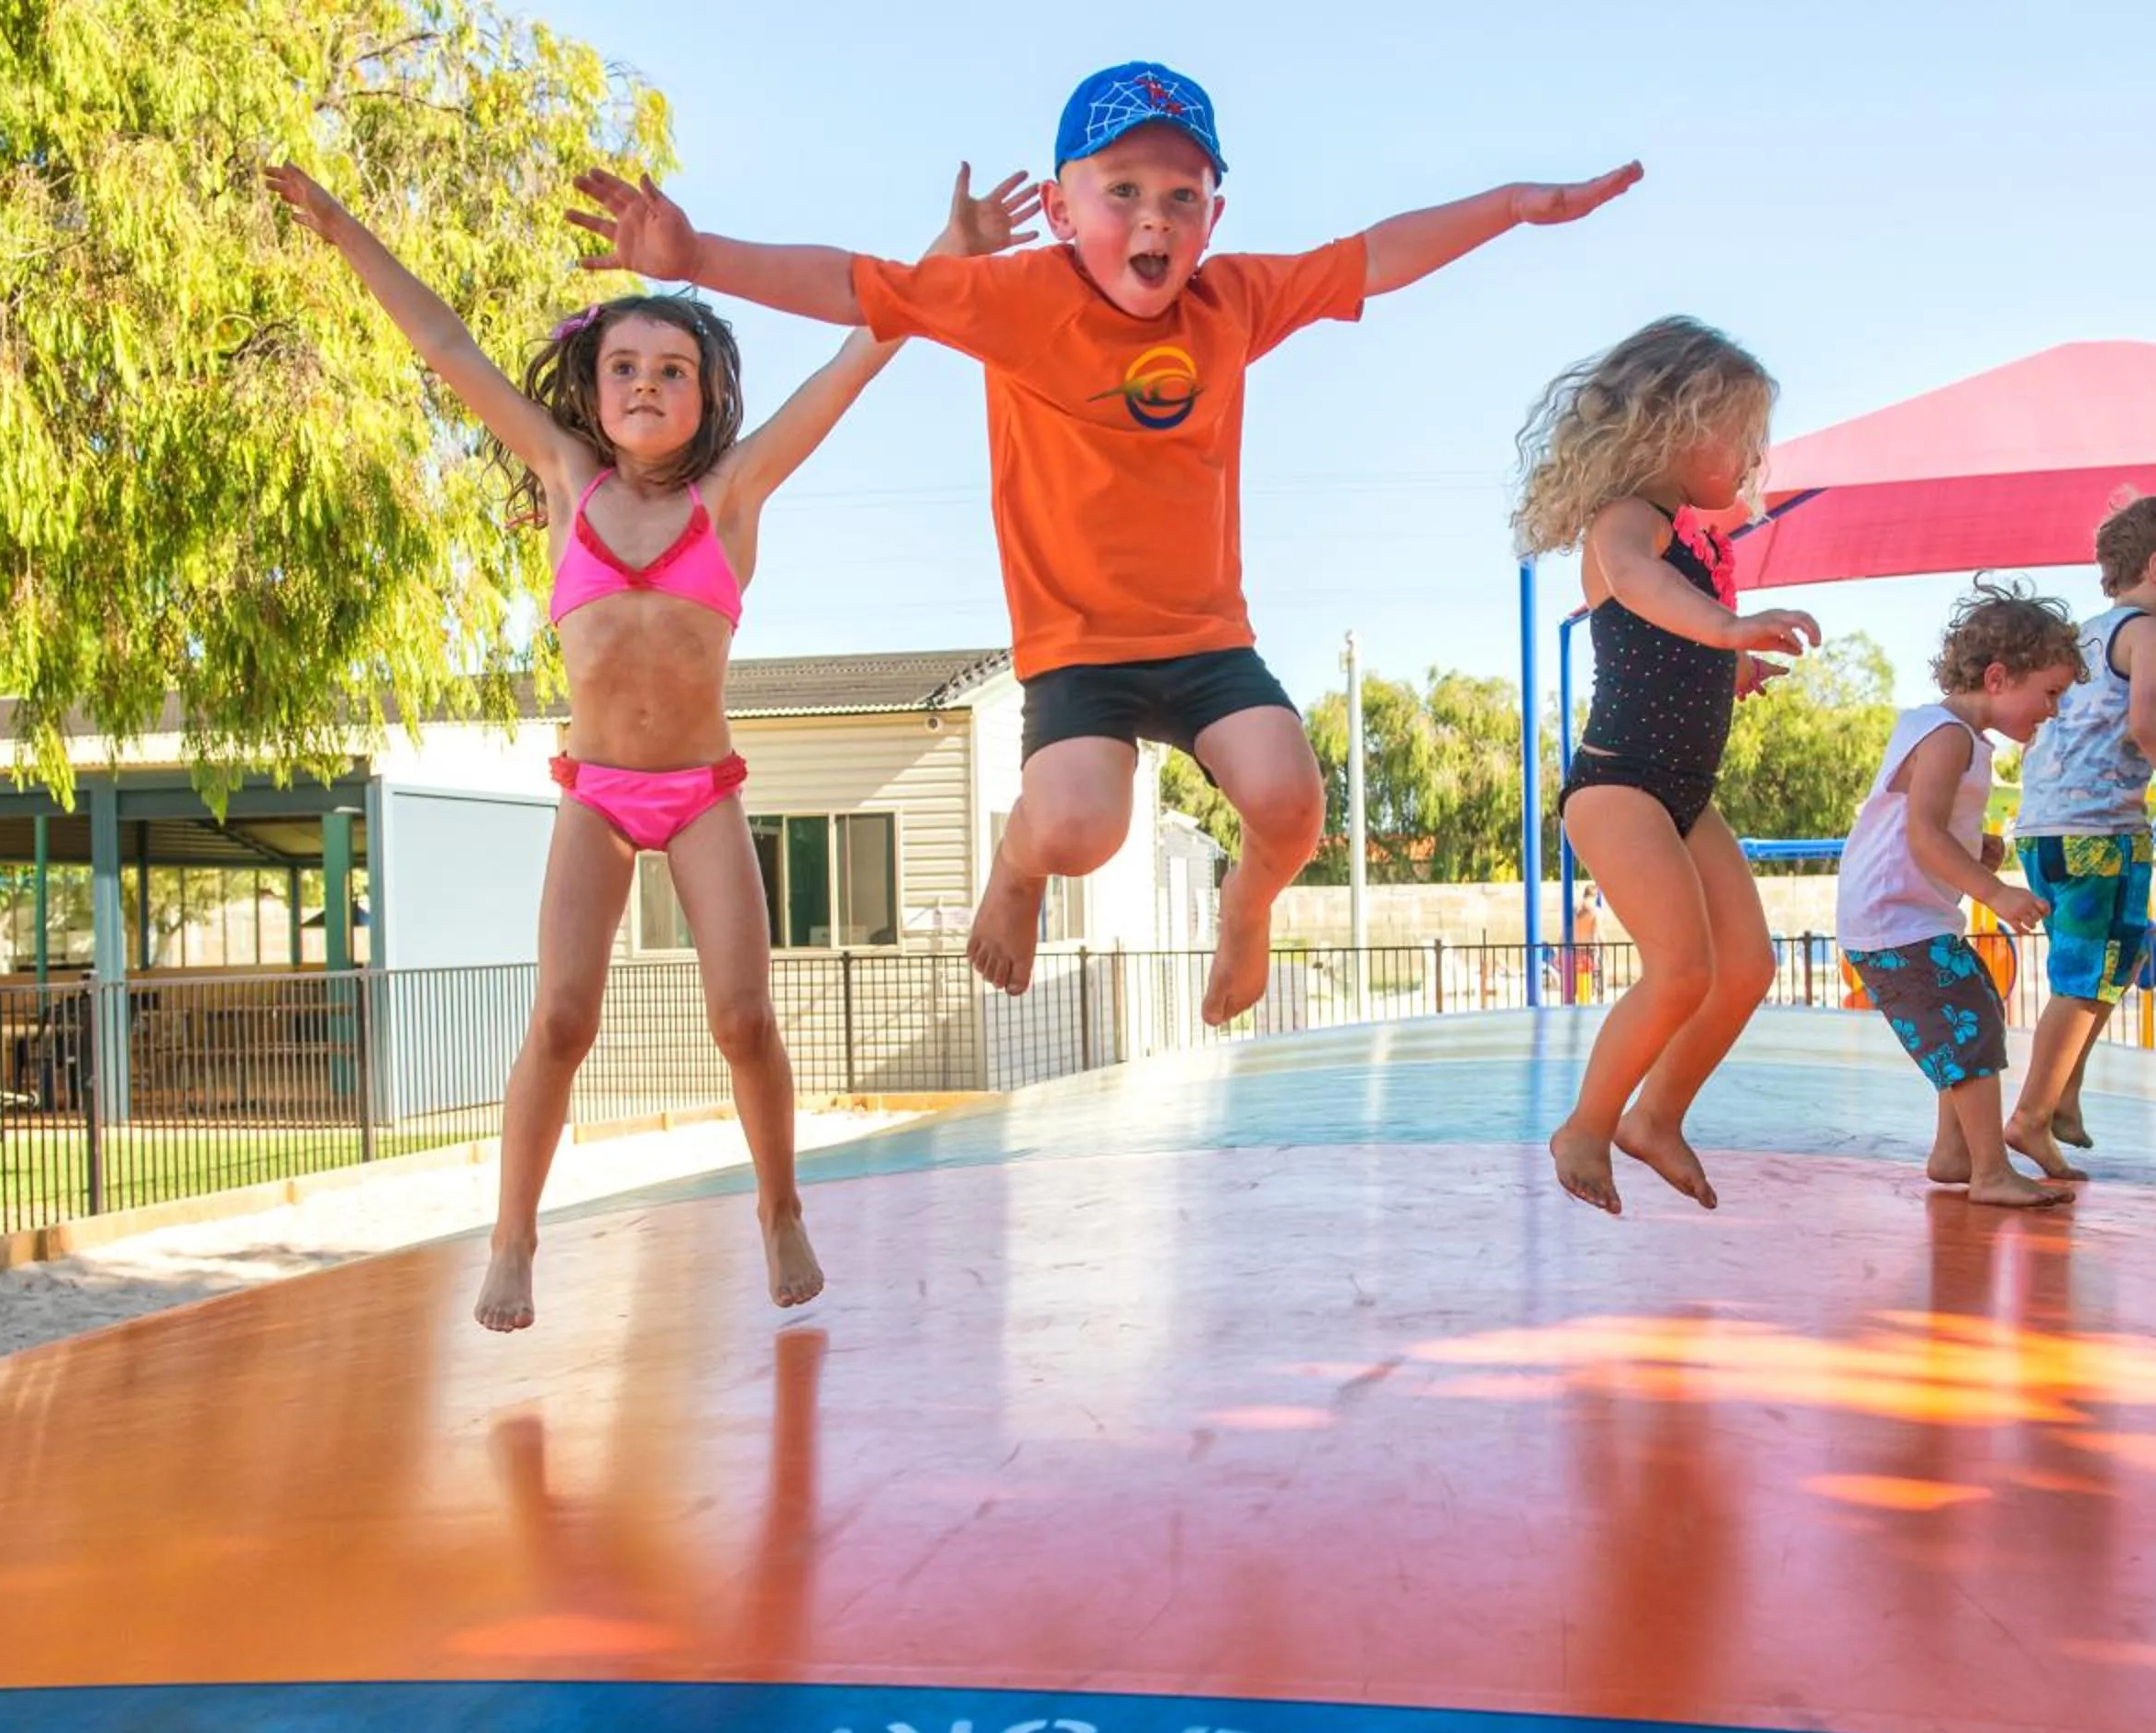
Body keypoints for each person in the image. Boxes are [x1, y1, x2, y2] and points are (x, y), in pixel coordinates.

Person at [562, 61, 1641, 1028]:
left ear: (1213, 216)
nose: (1152, 220)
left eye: (1181, 197)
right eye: (1120, 191)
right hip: (1078, 645)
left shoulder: (1234, 300)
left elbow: (1372, 256)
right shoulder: (1017, 300)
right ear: (1068, 204)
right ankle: (1019, 866)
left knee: (1291, 802)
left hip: (1206, 634)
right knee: (1082, 828)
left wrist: (1509, 206)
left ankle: (1245, 913)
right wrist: (696, 252)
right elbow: (855, 282)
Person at [266, 160, 1040, 1330]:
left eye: (670, 371)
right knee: (563, 1019)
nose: (644, 384)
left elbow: (861, 353)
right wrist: (342, 229)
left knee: (744, 1020)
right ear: (590, 384)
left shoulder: (732, 498)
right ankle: (512, 1237)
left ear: (709, 392)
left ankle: (779, 1207)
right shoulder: (565, 480)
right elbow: (449, 349)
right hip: (595, 796)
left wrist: (950, 249)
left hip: (701, 794)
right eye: (623, 366)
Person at [1513, 317, 1822, 1213]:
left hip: (1686, 793)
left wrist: (1735, 662)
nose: (1756, 459)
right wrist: (1726, 627)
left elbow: (1670, 634)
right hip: (1619, 785)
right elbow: (1641, 591)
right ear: (1680, 425)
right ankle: (1587, 1123)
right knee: (1681, 967)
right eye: (1745, 438)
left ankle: (1656, 1116)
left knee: (1749, 967)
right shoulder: (1627, 524)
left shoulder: (1692, 539)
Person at [2007, 494, 2156, 1176]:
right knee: (2087, 977)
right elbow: (2147, 721)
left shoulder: (2086, 631)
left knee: (2111, 965)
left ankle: (2063, 1097)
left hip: (2047, 830)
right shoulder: (2149, 631)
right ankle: (2030, 1115)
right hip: (2097, 832)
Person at [1838, 580, 2085, 1207]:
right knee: (1968, 1023)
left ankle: (1954, 1153)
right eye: (2049, 693)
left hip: (1910, 916)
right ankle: (1990, 1171)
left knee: (1973, 1007)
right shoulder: (1947, 735)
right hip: (1896, 919)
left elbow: (1927, 830)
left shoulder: (1961, 738)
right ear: (1999, 677)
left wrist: (1976, 853)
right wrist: (1994, 892)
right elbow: (1922, 835)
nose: (2052, 711)